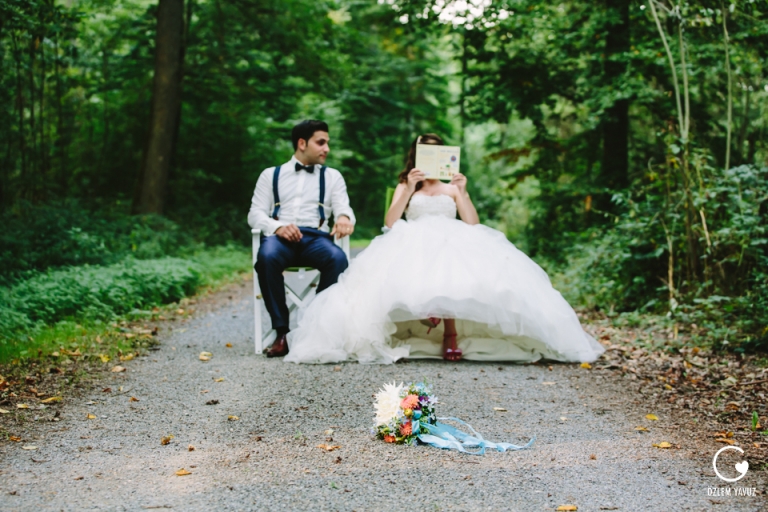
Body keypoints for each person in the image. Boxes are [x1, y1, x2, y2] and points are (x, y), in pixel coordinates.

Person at [284, 133, 605, 365]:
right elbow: (391, 222)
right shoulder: (406, 183)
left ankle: (449, 332)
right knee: (414, 263)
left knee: (452, 264)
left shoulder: (452, 186)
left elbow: (472, 222)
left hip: (452, 236)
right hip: (412, 236)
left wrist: (461, 192)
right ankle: (426, 316)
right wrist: (408, 188)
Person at [248, 120, 355, 358]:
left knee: (337, 258)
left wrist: (344, 217)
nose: (327, 149)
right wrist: (277, 227)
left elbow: (343, 208)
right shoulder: (270, 175)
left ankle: (315, 328)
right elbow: (255, 215)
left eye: (327, 143)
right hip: (280, 239)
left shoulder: (333, 176)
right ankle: (282, 333)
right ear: (302, 143)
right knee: (266, 257)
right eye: (321, 142)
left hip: (316, 238)